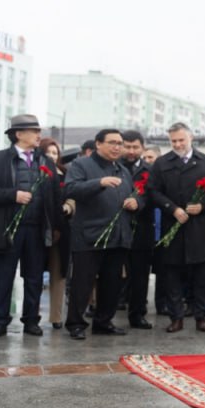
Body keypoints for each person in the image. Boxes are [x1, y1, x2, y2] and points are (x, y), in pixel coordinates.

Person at [0, 114, 62, 337]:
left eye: (38, 131)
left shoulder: (46, 161)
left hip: (36, 229)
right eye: (34, 131)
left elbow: (54, 196)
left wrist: (56, 226)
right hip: (7, 229)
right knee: (4, 277)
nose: (38, 135)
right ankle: (1, 321)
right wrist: (13, 195)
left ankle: (31, 320)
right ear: (18, 134)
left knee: (34, 277)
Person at [146, 122, 205, 333]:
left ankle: (201, 316)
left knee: (201, 276)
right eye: (173, 141)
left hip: (199, 228)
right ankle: (176, 317)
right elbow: (153, 191)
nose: (178, 144)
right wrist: (172, 209)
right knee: (172, 275)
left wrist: (204, 205)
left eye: (181, 140)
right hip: (173, 224)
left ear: (190, 138)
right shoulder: (162, 163)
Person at [63, 129, 141, 339]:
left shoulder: (122, 170)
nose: (118, 147)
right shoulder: (82, 165)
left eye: (120, 143)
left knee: (112, 283)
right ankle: (76, 324)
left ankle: (103, 322)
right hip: (90, 235)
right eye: (112, 142)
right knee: (83, 282)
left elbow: (133, 194)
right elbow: (70, 189)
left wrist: (136, 202)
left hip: (118, 235)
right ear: (98, 144)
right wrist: (99, 183)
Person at [120, 130, 156, 329]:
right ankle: (105, 313)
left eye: (135, 147)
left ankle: (137, 314)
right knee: (111, 273)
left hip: (142, 229)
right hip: (116, 227)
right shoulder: (113, 167)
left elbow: (154, 195)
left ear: (142, 148)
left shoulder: (150, 170)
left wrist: (139, 203)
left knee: (140, 276)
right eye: (127, 146)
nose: (131, 151)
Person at [38, 138, 72, 329]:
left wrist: (68, 207)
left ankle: (56, 317)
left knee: (58, 274)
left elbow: (73, 196)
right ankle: (32, 315)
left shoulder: (66, 173)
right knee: (35, 274)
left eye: (54, 152)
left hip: (62, 227)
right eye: (47, 152)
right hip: (40, 228)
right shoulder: (36, 172)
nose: (51, 156)